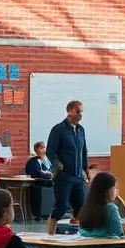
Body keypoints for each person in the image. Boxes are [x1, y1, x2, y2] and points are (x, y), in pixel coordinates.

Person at [46, 100, 88, 234]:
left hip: (78, 176)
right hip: (64, 176)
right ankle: (51, 234)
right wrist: (58, 164)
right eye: (78, 111)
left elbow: (84, 151)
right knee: (62, 206)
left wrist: (85, 170)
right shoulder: (59, 129)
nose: (80, 114)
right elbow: (50, 151)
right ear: (69, 111)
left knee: (81, 207)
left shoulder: (81, 130)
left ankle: (78, 234)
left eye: (81, 111)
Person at [24, 141, 53, 221]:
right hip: (39, 183)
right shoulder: (33, 161)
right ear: (36, 151)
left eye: (42, 149)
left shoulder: (49, 160)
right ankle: (39, 214)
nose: (41, 152)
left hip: (51, 182)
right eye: (38, 150)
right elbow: (34, 173)